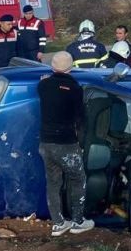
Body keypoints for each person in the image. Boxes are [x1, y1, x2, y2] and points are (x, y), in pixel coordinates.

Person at [38, 51, 95, 236]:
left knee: (53, 183)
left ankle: (59, 223)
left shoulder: (43, 85)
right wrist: (82, 141)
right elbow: (80, 119)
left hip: (46, 144)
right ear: (71, 67)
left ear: (53, 67)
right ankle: (78, 221)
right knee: (78, 179)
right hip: (66, 144)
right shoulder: (75, 89)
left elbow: (46, 82)